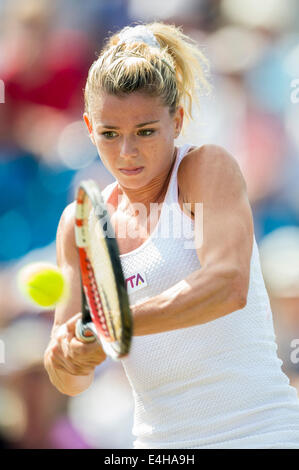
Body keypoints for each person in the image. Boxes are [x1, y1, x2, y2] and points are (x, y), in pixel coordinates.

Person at [44, 22, 299, 449]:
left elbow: (226, 286)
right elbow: (72, 382)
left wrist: (112, 326)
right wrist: (68, 355)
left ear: (177, 119)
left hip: (261, 435)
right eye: (109, 134)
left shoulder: (205, 170)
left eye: (145, 131)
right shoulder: (78, 225)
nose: (127, 152)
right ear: (89, 127)